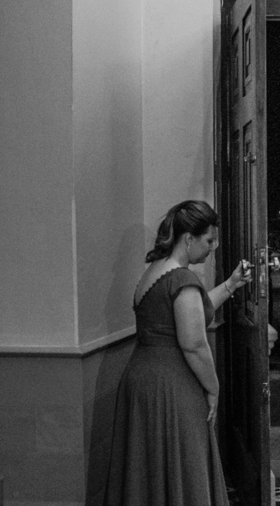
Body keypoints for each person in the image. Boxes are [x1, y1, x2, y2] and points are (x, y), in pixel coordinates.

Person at [104, 200, 252, 506]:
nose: (213, 247)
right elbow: (194, 343)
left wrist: (231, 284)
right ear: (189, 239)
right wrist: (213, 387)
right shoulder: (183, 279)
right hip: (171, 386)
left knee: (147, 471)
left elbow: (193, 310)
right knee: (185, 465)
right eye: (209, 240)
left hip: (141, 379)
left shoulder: (154, 272)